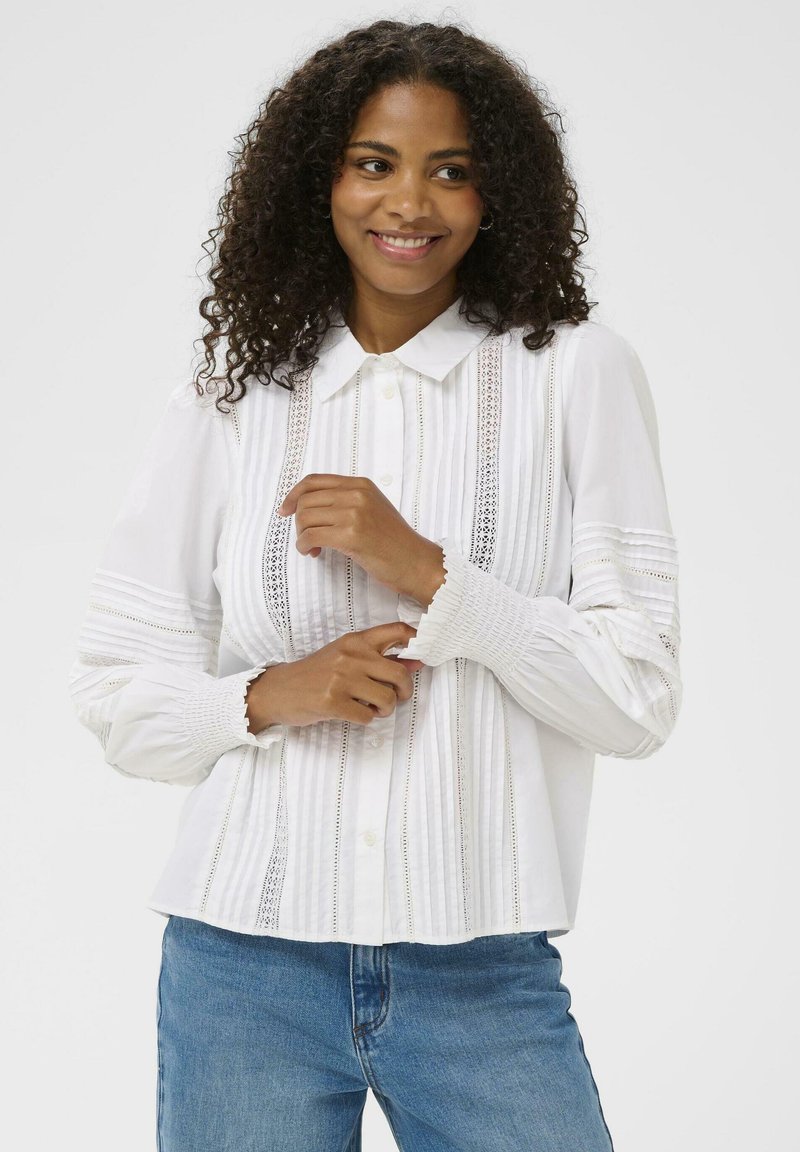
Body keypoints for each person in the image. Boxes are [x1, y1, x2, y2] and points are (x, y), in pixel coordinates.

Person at [68, 17, 682, 1152]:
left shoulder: (573, 374)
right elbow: (115, 696)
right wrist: (268, 695)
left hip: (481, 974)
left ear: (497, 195)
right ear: (319, 181)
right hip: (237, 970)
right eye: (373, 164)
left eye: (451, 170)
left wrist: (437, 579)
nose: (410, 204)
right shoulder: (229, 396)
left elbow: (635, 699)